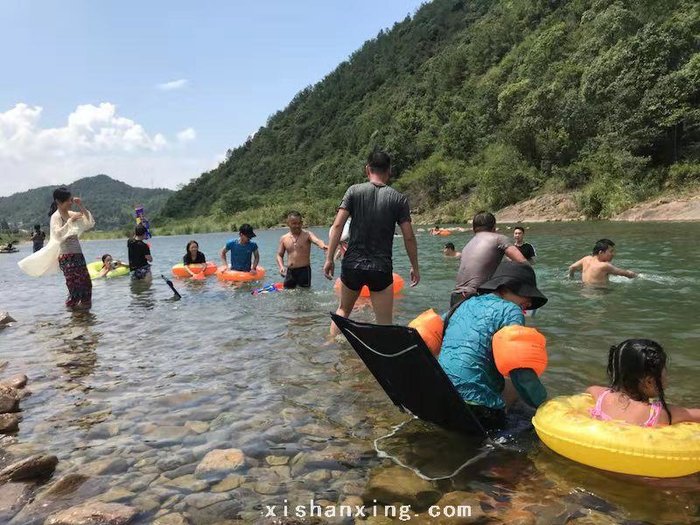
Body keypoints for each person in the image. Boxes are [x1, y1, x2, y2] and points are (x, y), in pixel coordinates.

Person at [438, 262, 549, 430]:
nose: (529, 301)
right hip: (477, 410)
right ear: (504, 289)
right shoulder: (511, 310)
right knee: (518, 390)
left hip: (440, 395)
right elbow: (520, 371)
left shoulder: (462, 304)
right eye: (526, 294)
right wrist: (544, 404)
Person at [324, 149, 420, 335]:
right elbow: (408, 236)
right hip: (381, 267)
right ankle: (381, 360)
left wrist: (329, 258)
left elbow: (337, 226)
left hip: (353, 264)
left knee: (343, 311)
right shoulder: (399, 199)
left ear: (367, 169)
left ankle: (332, 351)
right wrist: (414, 266)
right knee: (384, 323)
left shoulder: (353, 191)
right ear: (389, 170)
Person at [587, 339, 700, 426]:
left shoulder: (601, 395)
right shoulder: (660, 413)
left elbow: (590, 389)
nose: (666, 372)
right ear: (649, 382)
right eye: (664, 368)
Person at [451, 211, 527, 308]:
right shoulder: (499, 239)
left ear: (474, 229)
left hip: (456, 297)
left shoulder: (467, 245)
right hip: (475, 297)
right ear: (494, 227)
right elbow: (523, 263)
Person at [49, 187, 94, 308]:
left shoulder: (70, 214)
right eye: (68, 200)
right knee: (75, 289)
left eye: (71, 200)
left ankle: (84, 320)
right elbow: (57, 234)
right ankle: (72, 317)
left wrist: (81, 206)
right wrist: (70, 221)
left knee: (87, 286)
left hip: (78, 254)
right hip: (66, 256)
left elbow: (88, 222)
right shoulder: (56, 217)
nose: (71, 202)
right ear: (59, 202)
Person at [276, 211, 327, 289]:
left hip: (304, 271)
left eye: (299, 223)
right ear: (288, 223)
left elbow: (317, 241)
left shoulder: (307, 235)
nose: (297, 225)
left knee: (305, 293)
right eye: (294, 223)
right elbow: (279, 255)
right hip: (290, 271)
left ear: (302, 223)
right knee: (288, 294)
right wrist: (281, 267)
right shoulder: (284, 238)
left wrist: (323, 246)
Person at [568, 239, 636, 285]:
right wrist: (638, 276)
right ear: (600, 252)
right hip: (599, 293)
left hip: (584, 292)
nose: (613, 254)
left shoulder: (586, 259)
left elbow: (572, 267)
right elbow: (626, 274)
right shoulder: (604, 266)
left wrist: (572, 279)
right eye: (611, 251)